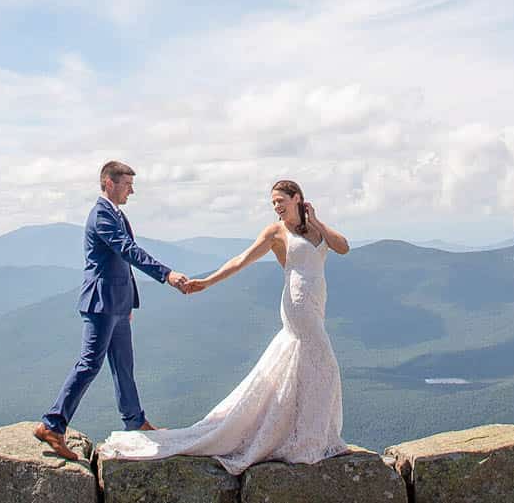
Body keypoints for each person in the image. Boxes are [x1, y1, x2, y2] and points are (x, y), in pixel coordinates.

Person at [97, 179, 350, 474]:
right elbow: (241, 260)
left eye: (281, 201)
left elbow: (342, 247)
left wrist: (316, 219)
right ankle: (309, 438)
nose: (277, 207)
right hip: (298, 305)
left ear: (297, 198)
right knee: (325, 365)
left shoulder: (316, 228)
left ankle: (305, 434)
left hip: (317, 303)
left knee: (306, 367)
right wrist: (207, 282)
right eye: (273, 203)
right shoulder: (276, 232)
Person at [34, 161, 192, 461]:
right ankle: (52, 425)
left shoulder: (116, 214)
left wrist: (128, 302)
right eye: (127, 184)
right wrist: (166, 274)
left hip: (117, 304)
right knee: (89, 364)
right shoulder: (101, 216)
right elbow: (128, 251)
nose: (132, 190)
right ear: (108, 182)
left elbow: (119, 264)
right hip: (101, 303)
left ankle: (135, 421)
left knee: (124, 366)